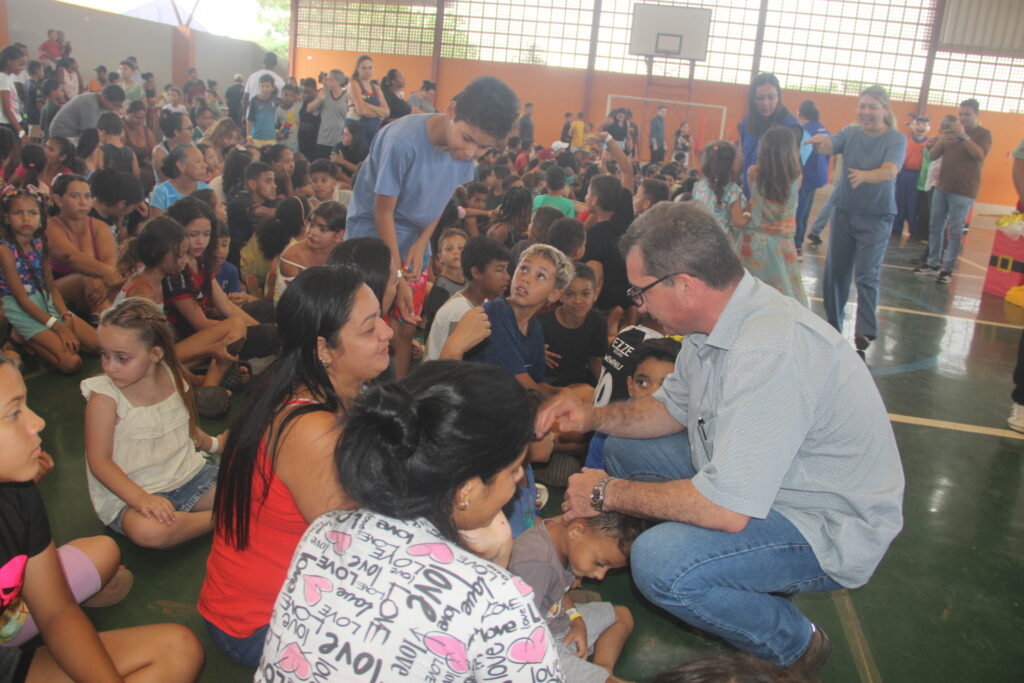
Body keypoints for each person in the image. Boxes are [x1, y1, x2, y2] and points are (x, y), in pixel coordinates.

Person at [536, 201, 904, 676]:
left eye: (640, 291)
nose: (638, 304)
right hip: (766, 484)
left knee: (662, 563)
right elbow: (669, 409)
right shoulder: (712, 326)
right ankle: (727, 572)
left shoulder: (767, 350)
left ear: (685, 284)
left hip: (822, 521)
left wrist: (606, 492)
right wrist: (590, 417)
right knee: (626, 448)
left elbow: (726, 508)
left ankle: (794, 643)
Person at [257, 360, 563, 680]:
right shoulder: (500, 603)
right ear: (466, 490)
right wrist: (497, 567)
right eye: (514, 469)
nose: (517, 481)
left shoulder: (324, 531)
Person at [201, 265, 392, 667]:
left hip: (278, 597)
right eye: (369, 327)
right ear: (323, 348)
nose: (387, 333)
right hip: (262, 622)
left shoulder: (320, 391)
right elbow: (355, 555)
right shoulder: (311, 429)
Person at [0, 350, 207, 681]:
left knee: (178, 649)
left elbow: (57, 612)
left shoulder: (17, 493)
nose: (38, 421)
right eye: (13, 413)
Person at [344, 75, 519, 378]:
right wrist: (395, 275)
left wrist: (421, 241)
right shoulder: (402, 142)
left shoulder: (464, 154)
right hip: (372, 240)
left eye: (483, 148)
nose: (471, 154)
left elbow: (441, 199)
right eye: (467, 139)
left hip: (412, 245)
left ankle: (396, 394)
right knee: (363, 322)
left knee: (405, 324)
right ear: (451, 110)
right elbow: (383, 212)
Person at [82, 297, 222, 548]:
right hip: (131, 493)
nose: (109, 367)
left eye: (121, 358)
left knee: (243, 493)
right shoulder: (104, 397)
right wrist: (141, 499)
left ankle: (202, 518)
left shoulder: (173, 376)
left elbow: (183, 428)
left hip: (187, 476)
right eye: (104, 355)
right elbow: (99, 462)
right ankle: (218, 520)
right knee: (151, 532)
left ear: (155, 353)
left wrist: (213, 444)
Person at [808, 85, 906, 357]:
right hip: (844, 213)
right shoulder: (850, 133)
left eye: (872, 106)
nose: (866, 111)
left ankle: (865, 329)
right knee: (835, 274)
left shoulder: (896, 139)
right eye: (862, 105)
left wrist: (865, 176)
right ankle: (833, 326)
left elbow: (890, 171)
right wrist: (820, 144)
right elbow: (830, 145)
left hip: (876, 217)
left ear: (885, 110)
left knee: (866, 274)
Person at [510, 511, 641, 682]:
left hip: (557, 622)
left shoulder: (560, 544)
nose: (601, 576)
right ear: (576, 531)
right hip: (536, 646)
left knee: (622, 615)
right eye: (600, 563)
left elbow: (558, 592)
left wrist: (575, 618)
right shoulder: (537, 565)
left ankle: (603, 669)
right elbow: (519, 633)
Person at [1, 186, 97, 374]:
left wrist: (65, 317)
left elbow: (51, 288)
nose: (26, 218)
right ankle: (24, 339)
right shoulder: (5, 250)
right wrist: (59, 329)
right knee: (71, 364)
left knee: (97, 344)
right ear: (6, 218)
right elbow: (21, 299)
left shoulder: (41, 243)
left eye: (32, 213)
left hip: (45, 301)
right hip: (20, 307)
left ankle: (26, 338)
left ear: (41, 217)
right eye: (18, 213)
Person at [464, 243, 573, 396]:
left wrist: (566, 393)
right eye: (523, 268)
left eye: (540, 276)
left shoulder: (535, 328)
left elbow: (538, 382)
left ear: (554, 294)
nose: (526, 278)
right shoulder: (494, 313)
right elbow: (523, 384)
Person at [913, 98, 992, 284]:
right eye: (961, 114)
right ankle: (933, 264)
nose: (963, 118)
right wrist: (940, 140)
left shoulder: (983, 133)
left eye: (967, 114)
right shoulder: (949, 133)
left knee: (955, 230)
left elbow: (979, 155)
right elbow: (932, 156)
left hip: (964, 190)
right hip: (942, 186)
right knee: (935, 226)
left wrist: (963, 136)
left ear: (976, 115)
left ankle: (947, 269)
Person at [585, 336, 680, 470]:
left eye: (666, 386)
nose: (653, 394)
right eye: (642, 383)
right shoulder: (606, 432)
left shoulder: (692, 438)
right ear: (630, 386)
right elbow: (590, 484)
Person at [735, 126, 806, 305]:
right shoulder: (797, 176)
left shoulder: (753, 173)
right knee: (784, 293)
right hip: (783, 242)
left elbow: (754, 201)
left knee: (749, 294)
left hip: (754, 240)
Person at [46, 173, 123, 315]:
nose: (83, 202)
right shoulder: (50, 226)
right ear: (58, 200)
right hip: (55, 290)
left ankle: (109, 324)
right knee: (86, 279)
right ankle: (108, 328)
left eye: (87, 196)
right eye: (75, 196)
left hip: (97, 287)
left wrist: (107, 277)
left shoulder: (100, 226)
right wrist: (107, 273)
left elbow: (110, 260)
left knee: (104, 283)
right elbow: (70, 257)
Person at [425, 234, 510, 361]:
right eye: (499, 270)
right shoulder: (459, 310)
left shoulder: (481, 302)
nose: (507, 277)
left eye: (506, 270)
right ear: (476, 272)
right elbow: (452, 359)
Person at [538, 261, 606, 387]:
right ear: (560, 295)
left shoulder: (598, 321)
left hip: (581, 382)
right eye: (570, 294)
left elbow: (594, 359)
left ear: (595, 294)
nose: (578, 301)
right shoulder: (541, 323)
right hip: (548, 383)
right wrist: (534, 353)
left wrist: (605, 386)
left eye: (585, 294)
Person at [738, 73, 803, 198]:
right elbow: (741, 154)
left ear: (778, 97)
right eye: (760, 98)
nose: (766, 103)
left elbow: (794, 169)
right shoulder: (747, 122)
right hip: (748, 195)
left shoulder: (790, 127)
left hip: (774, 201)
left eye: (771, 97)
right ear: (752, 99)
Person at [274, 200, 346, 301]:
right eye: (311, 224)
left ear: (339, 235)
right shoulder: (291, 260)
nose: (312, 232)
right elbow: (300, 305)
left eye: (322, 229)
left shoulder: (347, 254)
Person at [691, 141, 746, 235]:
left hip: (699, 237)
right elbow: (739, 222)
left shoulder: (699, 186)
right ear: (731, 164)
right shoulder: (732, 190)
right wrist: (748, 213)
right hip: (721, 241)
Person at [794, 101, 829, 252]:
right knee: (805, 212)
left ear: (800, 113)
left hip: (806, 176)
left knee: (799, 212)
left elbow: (799, 155)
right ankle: (798, 244)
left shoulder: (804, 130)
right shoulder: (822, 128)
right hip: (817, 176)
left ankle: (796, 245)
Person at [48, 83, 125, 141]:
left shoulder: (102, 104)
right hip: (62, 134)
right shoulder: (90, 103)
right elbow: (89, 132)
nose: (114, 109)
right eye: (114, 105)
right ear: (104, 98)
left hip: (76, 133)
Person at [149, 144, 210, 215]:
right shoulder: (162, 193)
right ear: (181, 166)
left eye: (203, 160)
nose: (205, 165)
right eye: (198, 161)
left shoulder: (206, 190)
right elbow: (155, 224)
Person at [344, 55, 388, 145]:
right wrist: (378, 113)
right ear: (357, 69)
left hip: (373, 130)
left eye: (370, 68)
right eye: (364, 68)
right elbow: (361, 111)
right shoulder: (354, 84)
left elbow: (387, 112)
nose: (367, 71)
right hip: (356, 130)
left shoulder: (376, 88)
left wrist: (367, 105)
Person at [309, 69, 348, 159]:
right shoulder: (323, 94)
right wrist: (319, 99)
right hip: (324, 140)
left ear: (338, 81)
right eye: (327, 79)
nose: (327, 82)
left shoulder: (347, 95)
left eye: (330, 79)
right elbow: (310, 110)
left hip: (340, 139)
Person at [152, 110, 194, 184]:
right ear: (177, 132)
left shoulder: (191, 146)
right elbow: (168, 182)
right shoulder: (159, 152)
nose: (192, 131)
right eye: (189, 129)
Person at [0, 45, 27, 139]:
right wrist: (21, 131)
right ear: (8, 61)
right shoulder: (3, 78)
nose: (22, 68)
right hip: (7, 124)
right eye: (20, 64)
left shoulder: (8, 77)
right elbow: (7, 110)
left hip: (11, 122)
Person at [246, 74, 278, 148]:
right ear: (259, 87)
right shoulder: (254, 100)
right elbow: (249, 119)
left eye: (267, 86)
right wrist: (248, 136)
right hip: (256, 137)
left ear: (272, 88)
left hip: (271, 137)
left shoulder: (276, 100)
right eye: (262, 86)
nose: (264, 88)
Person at [274, 82, 301, 152]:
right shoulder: (277, 111)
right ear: (281, 95)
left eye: (291, 95)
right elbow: (272, 127)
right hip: (280, 146)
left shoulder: (298, 107)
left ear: (294, 96)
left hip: (294, 146)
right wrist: (277, 134)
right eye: (285, 95)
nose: (288, 97)